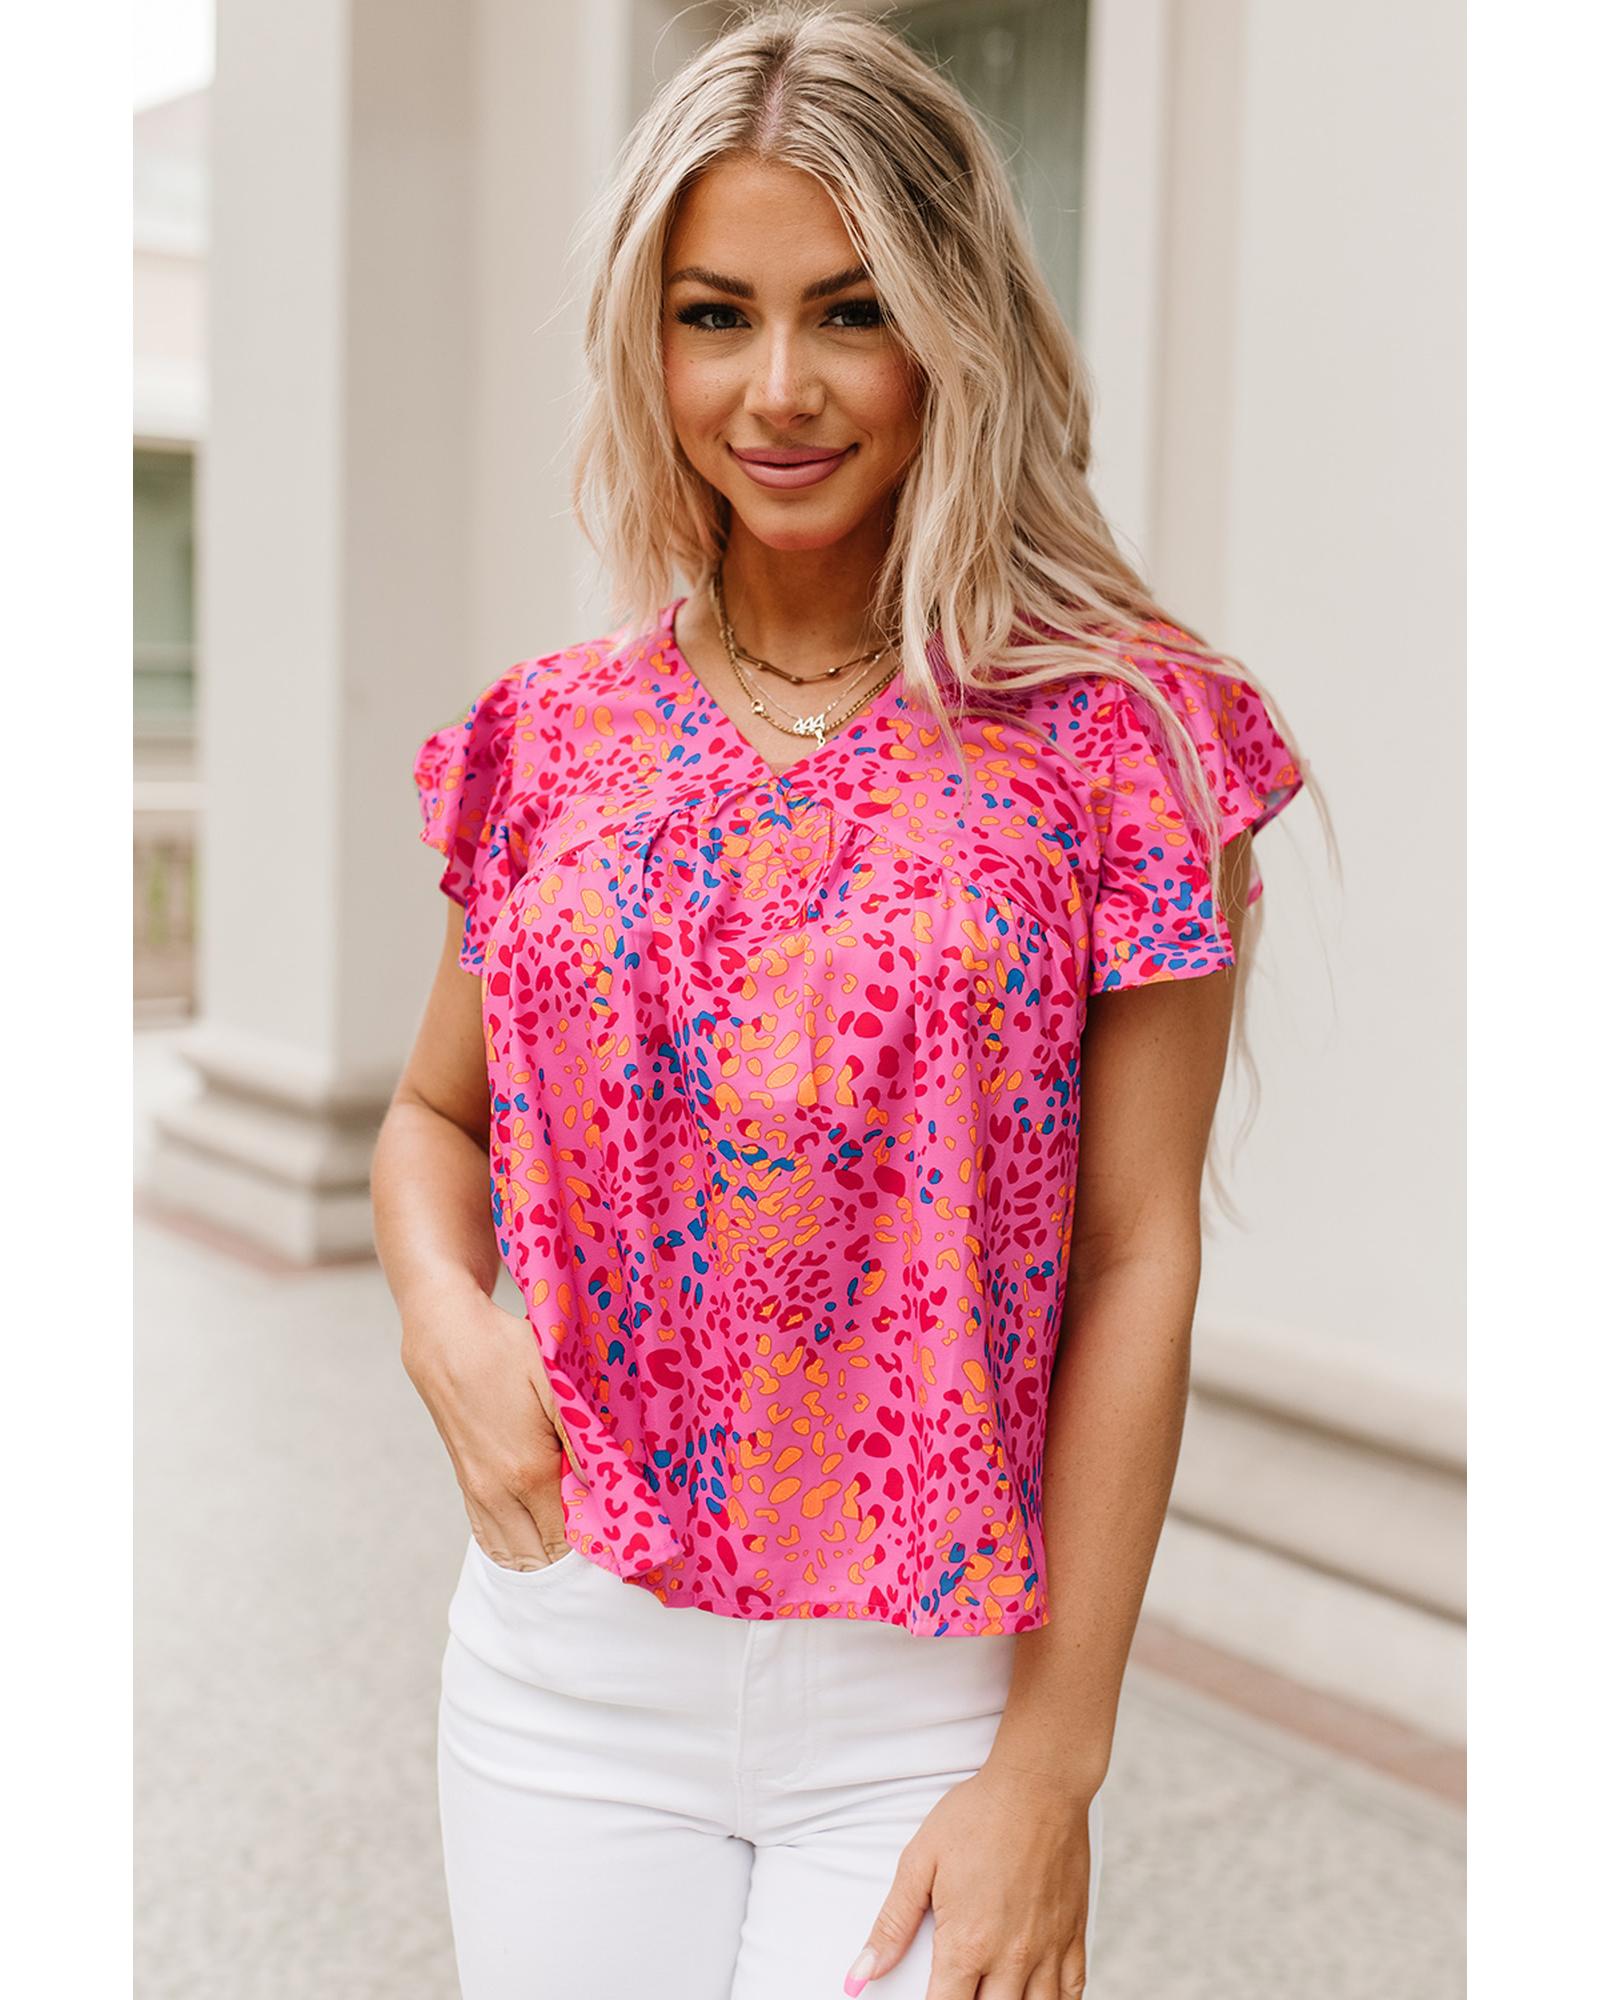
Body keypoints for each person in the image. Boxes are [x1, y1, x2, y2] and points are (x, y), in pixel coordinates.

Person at [371, 6, 1315, 1996]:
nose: (778, 387)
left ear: (950, 332)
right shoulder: (554, 735)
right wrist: (448, 1323)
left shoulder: (1121, 742)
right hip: (563, 1669)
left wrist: (1052, 1766)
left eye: (852, 311)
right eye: (715, 315)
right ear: (647, 344)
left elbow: (1136, 1255)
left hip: (931, 1702)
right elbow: (432, 1116)